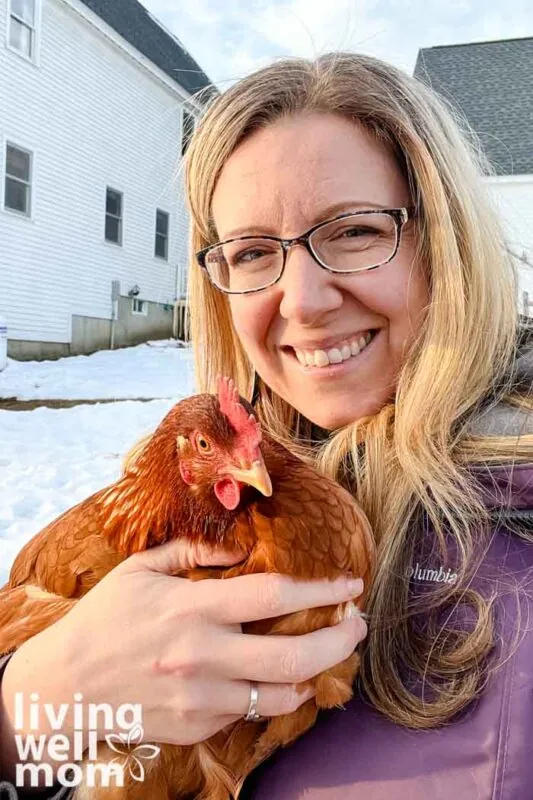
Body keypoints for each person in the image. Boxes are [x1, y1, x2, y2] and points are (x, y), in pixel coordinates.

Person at [1, 50, 533, 799]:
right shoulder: (173, 514)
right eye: (253, 251)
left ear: (441, 239)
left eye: (351, 231)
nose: (303, 300)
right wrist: (28, 714)